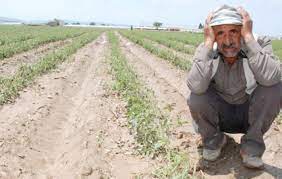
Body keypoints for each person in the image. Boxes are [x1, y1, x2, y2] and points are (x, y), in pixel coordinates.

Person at [186, 5, 281, 169]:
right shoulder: (207, 50)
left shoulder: (259, 44)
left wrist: (250, 39)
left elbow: (271, 78)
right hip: (219, 116)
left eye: (234, 32)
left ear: (243, 30)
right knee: (197, 95)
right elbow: (195, 86)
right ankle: (213, 139)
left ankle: (251, 146)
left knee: (275, 87)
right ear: (213, 35)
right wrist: (208, 43)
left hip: (249, 115)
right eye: (220, 33)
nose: (228, 41)